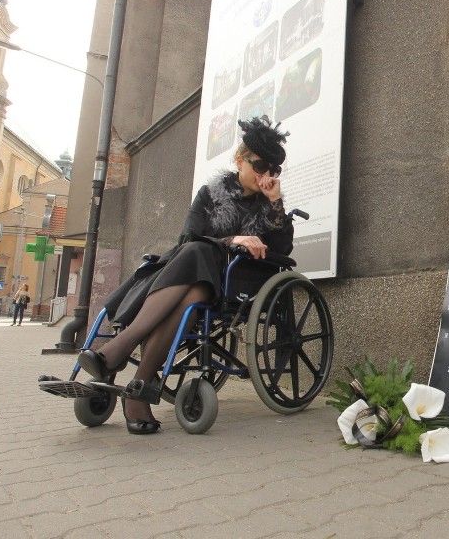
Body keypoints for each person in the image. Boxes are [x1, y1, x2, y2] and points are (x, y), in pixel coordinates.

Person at [76, 116, 294, 434]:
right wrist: (232, 240)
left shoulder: (269, 205)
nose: (267, 175)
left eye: (274, 170)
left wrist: (275, 203)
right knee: (193, 274)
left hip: (237, 281)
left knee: (197, 261)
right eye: (261, 166)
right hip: (191, 279)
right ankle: (138, 390)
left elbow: (283, 250)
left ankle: (118, 350)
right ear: (239, 160)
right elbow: (189, 236)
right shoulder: (210, 194)